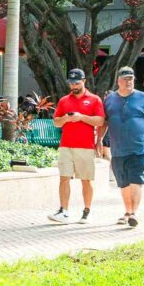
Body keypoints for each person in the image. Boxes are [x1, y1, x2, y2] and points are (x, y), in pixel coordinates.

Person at [99, 64, 144, 228]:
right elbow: (105, 122)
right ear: (118, 81)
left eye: (131, 79)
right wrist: (99, 139)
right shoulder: (110, 100)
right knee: (123, 183)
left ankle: (134, 213)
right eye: (125, 79)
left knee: (136, 179)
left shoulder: (143, 98)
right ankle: (128, 212)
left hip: (139, 148)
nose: (129, 82)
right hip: (117, 149)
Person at [49, 67, 104, 223]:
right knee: (64, 178)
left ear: (84, 81)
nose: (74, 86)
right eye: (71, 83)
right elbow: (56, 122)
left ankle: (87, 211)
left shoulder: (94, 99)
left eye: (77, 83)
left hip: (85, 146)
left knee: (86, 180)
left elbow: (100, 121)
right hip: (65, 145)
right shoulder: (64, 100)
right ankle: (63, 211)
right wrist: (65, 119)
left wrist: (81, 117)